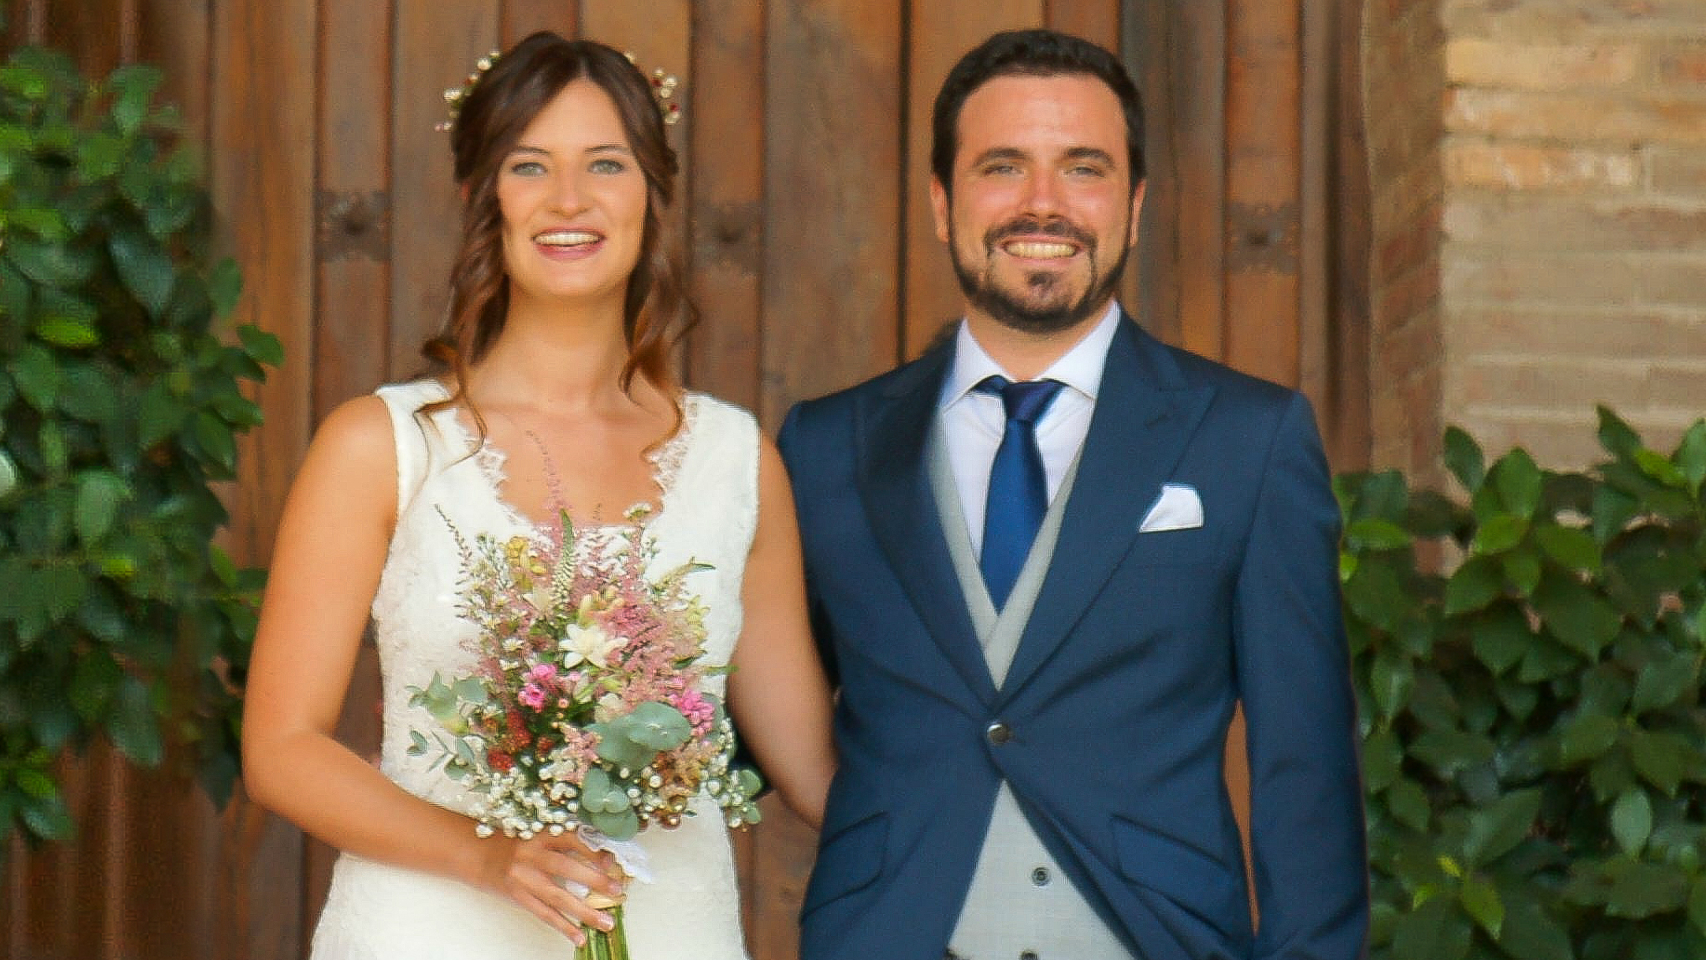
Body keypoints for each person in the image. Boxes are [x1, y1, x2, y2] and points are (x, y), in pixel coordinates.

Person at [242, 32, 834, 960]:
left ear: (653, 194)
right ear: (482, 197)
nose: (570, 200)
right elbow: (281, 746)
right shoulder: (385, 445)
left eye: (607, 163)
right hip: (428, 930)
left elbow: (813, 765)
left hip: (673, 929)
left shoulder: (735, 458)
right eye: (530, 166)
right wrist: (488, 857)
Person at [778, 28, 1368, 960]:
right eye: (1003, 167)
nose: (1042, 204)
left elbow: (1306, 769)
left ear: (1134, 207)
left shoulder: (1249, 438)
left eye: (1083, 169)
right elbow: (747, 712)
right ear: (942, 203)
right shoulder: (823, 446)